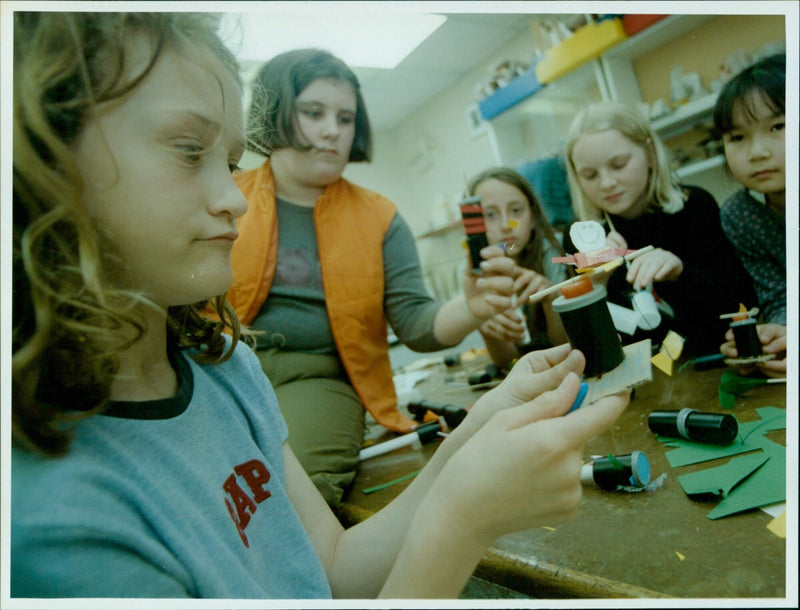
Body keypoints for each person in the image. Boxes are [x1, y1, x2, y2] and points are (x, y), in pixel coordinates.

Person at [10, 12, 630, 599]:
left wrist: (477, 427)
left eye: (229, 162)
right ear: (38, 165)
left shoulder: (228, 371)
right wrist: (459, 521)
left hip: (322, 387)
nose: (235, 199)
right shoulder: (57, 523)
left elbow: (323, 566)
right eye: (189, 151)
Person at [229, 48, 519, 508]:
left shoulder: (380, 218)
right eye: (314, 112)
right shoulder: (226, 195)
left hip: (317, 382)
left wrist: (472, 307)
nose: (333, 130)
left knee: (281, 495)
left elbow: (417, 326)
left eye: (345, 118)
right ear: (276, 114)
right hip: (217, 370)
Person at [563, 101, 756, 356]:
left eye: (619, 164)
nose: (607, 183)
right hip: (644, 376)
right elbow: (591, 345)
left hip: (712, 360)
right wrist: (596, 286)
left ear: (650, 153)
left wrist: (681, 272)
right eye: (589, 175)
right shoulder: (582, 238)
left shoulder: (694, 206)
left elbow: (744, 305)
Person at [713, 54, 786, 378]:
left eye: (778, 126)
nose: (757, 152)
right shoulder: (740, 215)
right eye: (738, 137)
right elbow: (778, 293)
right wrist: (774, 337)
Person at [467, 167, 568, 369]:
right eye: (490, 214)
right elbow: (507, 362)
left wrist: (552, 299)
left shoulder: (556, 251)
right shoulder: (474, 272)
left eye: (515, 211)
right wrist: (483, 323)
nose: (506, 225)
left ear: (532, 217)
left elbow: (567, 345)